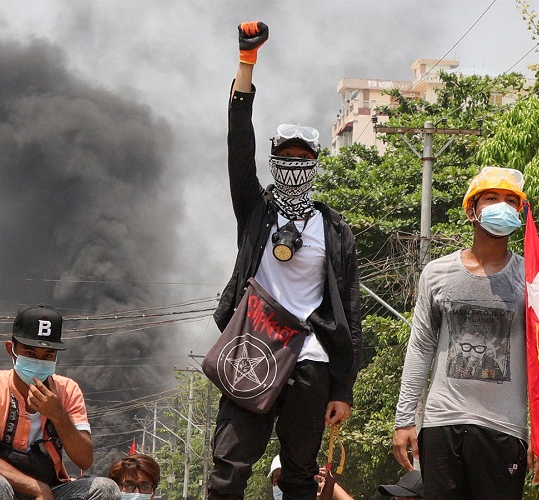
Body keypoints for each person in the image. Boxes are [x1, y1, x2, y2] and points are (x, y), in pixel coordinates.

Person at [208, 21, 363, 500]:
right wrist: (246, 64)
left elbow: (350, 314)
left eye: (303, 157)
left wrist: (343, 389)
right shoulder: (257, 212)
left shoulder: (334, 230)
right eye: (286, 156)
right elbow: (238, 146)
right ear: (275, 160)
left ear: (315, 164)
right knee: (229, 468)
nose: (294, 165)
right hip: (253, 349)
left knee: (299, 474)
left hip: (311, 361)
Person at [392, 166, 539, 499]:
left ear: (519, 213)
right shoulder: (437, 273)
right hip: (441, 423)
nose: (501, 206)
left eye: (510, 201)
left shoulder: (531, 278)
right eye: (491, 198)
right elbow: (421, 347)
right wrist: (405, 419)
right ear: (471, 210)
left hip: (504, 428)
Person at [0, 305, 120, 500]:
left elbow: (84, 460)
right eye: (30, 353)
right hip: (4, 489)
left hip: (53, 489)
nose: (39, 362)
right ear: (11, 350)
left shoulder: (68, 390)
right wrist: (37, 488)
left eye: (48, 355)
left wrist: (57, 414)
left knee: (106, 489)